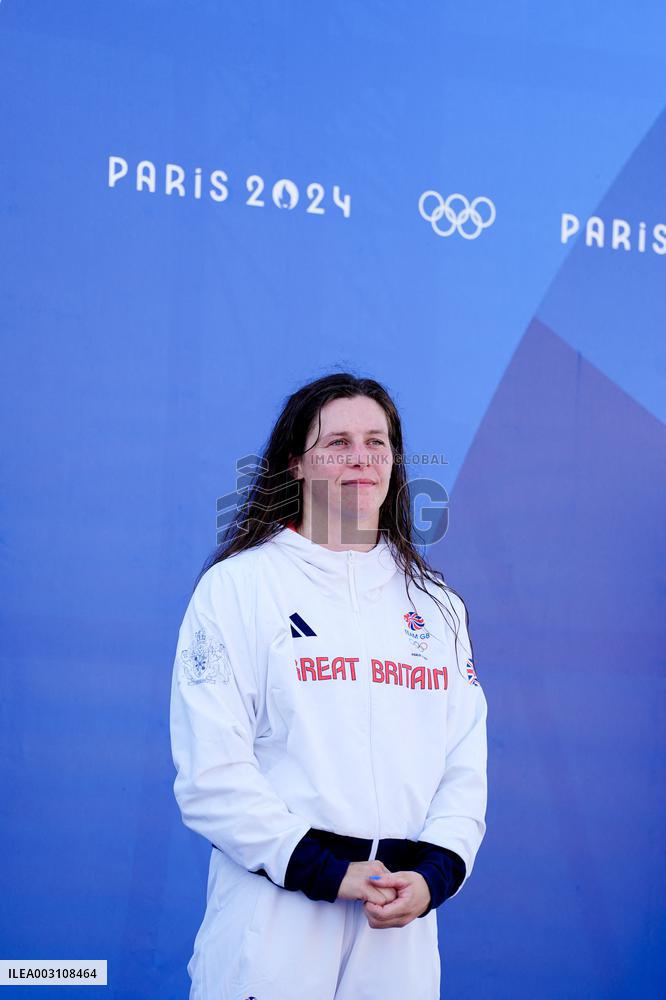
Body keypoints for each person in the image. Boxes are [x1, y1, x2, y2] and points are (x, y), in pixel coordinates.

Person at [169, 372, 488, 1000]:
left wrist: (433, 875)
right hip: (279, 920)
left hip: (397, 930)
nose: (360, 458)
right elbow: (211, 778)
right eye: (336, 441)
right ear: (295, 463)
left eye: (376, 441)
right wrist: (325, 870)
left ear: (396, 461)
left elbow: (463, 768)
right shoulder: (239, 588)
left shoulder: (439, 606)